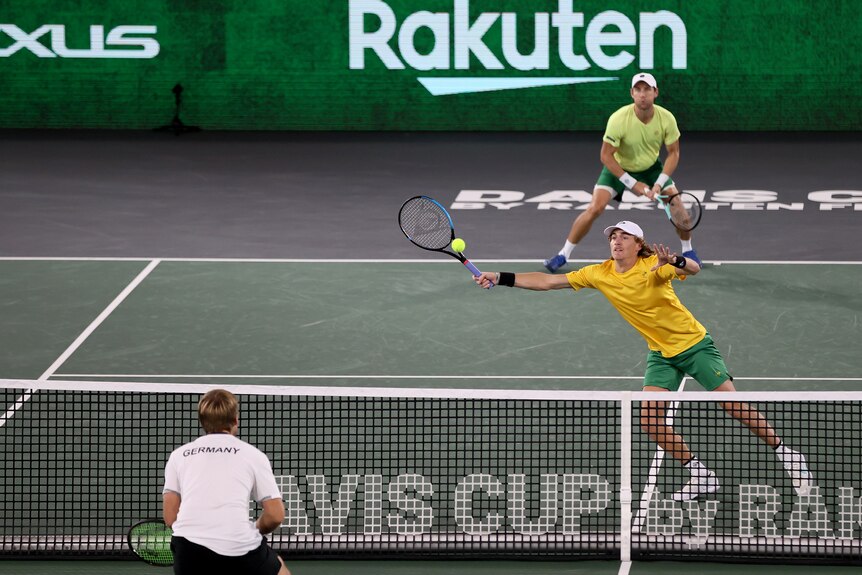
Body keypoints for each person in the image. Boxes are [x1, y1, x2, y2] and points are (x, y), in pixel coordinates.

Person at [477, 220, 813, 501]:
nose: (616, 240)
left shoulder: (653, 267)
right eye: (613, 236)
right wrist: (500, 276)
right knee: (650, 420)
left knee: (733, 407)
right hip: (660, 354)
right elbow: (549, 280)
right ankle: (701, 474)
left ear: (639, 245)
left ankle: (788, 455)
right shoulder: (601, 273)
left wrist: (677, 262)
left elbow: (694, 268)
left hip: (694, 345)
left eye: (624, 236)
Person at [544, 72, 701, 273]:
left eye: (647, 89)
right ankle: (563, 254)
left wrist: (659, 184)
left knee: (678, 207)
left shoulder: (666, 118)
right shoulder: (619, 119)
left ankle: (687, 251)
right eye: (638, 89)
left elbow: (674, 153)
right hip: (618, 168)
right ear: (632, 93)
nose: (642, 94)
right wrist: (633, 184)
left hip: (652, 168)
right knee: (595, 208)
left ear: (655, 92)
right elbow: (606, 156)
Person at [163, 389, 290, 575]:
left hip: (188, 550)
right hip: (239, 548)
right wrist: (255, 529)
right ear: (235, 420)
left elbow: (170, 517)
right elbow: (275, 515)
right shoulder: (253, 456)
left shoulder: (178, 456)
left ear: (202, 421)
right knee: (280, 569)